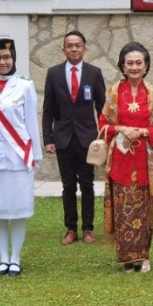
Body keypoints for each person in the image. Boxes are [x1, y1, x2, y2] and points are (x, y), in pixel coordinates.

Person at [100, 42, 153, 272]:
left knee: (143, 209)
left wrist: (142, 131)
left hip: (144, 161)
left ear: (146, 65)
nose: (134, 67)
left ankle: (144, 256)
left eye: (139, 62)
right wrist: (121, 129)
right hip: (120, 160)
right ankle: (127, 258)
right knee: (123, 209)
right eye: (129, 63)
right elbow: (102, 125)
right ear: (122, 65)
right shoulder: (113, 92)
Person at [0, 39, 42, 277]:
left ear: (13, 59)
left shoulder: (25, 86)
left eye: (6, 57)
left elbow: (31, 124)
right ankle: (3, 259)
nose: (1, 62)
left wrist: (35, 156)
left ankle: (16, 258)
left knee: (19, 210)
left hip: (19, 157)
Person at [42, 30, 106, 245]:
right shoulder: (54, 73)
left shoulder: (94, 73)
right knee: (68, 185)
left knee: (87, 184)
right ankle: (71, 229)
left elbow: (102, 108)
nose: (74, 49)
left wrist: (104, 135)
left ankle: (88, 228)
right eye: (69, 45)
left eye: (78, 45)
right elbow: (48, 108)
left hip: (88, 139)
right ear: (64, 49)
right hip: (63, 138)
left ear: (84, 48)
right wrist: (48, 138)